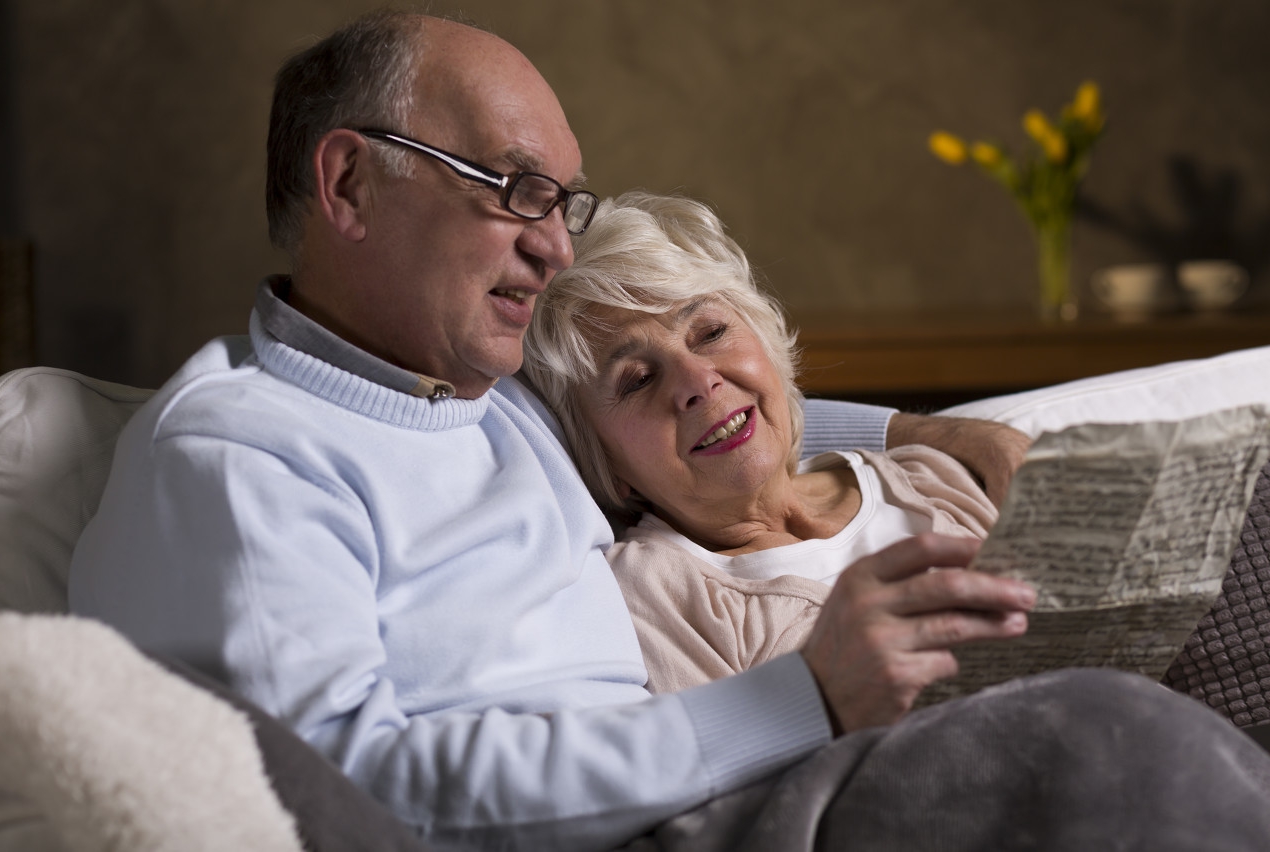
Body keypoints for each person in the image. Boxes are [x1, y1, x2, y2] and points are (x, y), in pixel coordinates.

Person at [67, 10, 1270, 852]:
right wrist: (797, 698)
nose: (552, 241)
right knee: (1105, 744)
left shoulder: (477, 403)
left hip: (703, 801)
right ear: (348, 187)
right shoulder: (236, 456)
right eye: (513, 188)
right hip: (672, 821)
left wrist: (926, 428)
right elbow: (355, 804)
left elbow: (710, 414)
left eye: (563, 199)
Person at [522, 190, 1002, 695]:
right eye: (638, 379)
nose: (698, 381)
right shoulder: (653, 596)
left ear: (766, 343)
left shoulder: (928, 476)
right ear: (603, 461)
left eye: (709, 332)